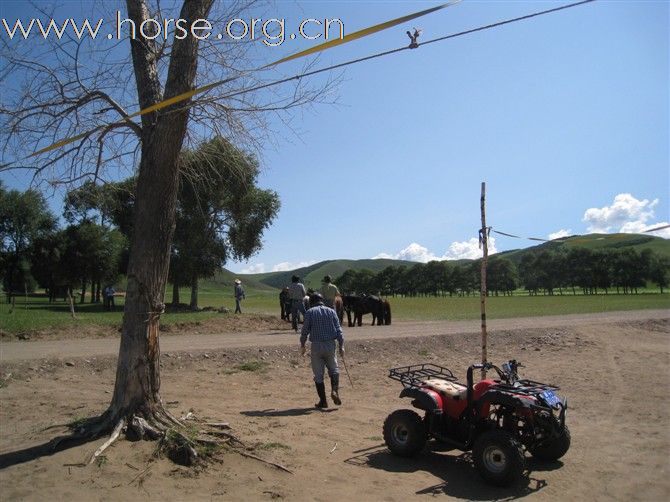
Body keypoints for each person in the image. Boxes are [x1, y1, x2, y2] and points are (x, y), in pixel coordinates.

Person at [300, 293, 345, 408]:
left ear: (312, 302)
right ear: (322, 300)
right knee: (334, 369)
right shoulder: (331, 311)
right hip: (330, 345)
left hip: (316, 346)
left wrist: (303, 344)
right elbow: (339, 330)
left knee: (318, 375)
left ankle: (323, 401)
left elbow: (305, 330)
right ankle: (334, 391)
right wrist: (341, 346)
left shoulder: (310, 312)